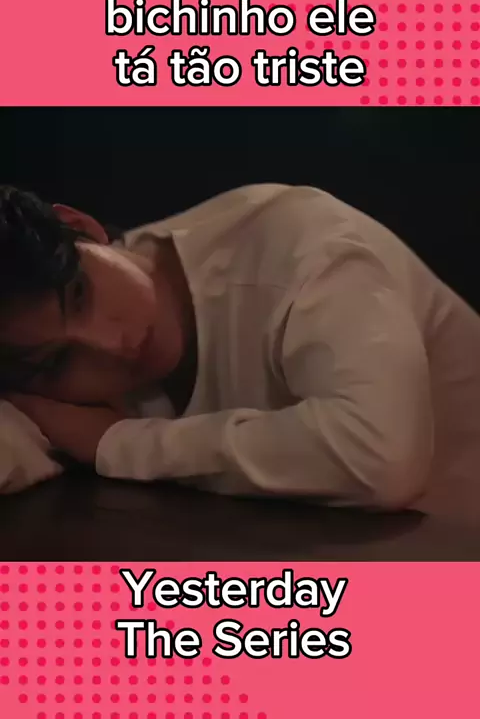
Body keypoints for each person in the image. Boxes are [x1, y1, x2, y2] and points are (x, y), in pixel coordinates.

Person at [1, 182, 479, 516]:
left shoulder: (302, 242)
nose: (112, 346)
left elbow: (378, 459)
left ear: (82, 226)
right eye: (58, 361)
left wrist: (119, 443)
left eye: (81, 296)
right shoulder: (50, 383)